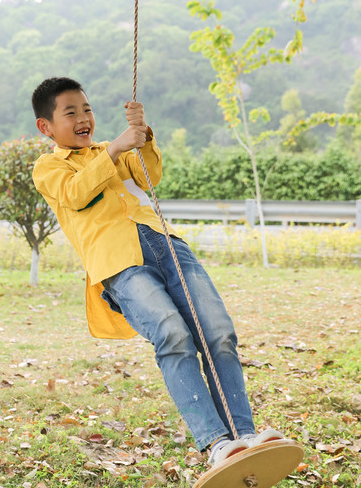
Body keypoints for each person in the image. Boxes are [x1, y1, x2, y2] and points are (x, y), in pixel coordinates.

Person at [31, 76, 285, 466]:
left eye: (87, 109)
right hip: (119, 263)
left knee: (217, 332)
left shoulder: (109, 151)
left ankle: (244, 436)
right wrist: (115, 148)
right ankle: (216, 442)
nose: (84, 118)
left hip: (165, 244)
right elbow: (75, 193)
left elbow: (149, 173)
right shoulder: (48, 167)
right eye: (71, 113)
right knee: (171, 334)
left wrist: (142, 135)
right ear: (45, 126)